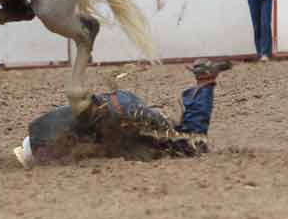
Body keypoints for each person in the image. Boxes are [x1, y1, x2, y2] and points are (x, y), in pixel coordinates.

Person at [14, 59, 231, 169]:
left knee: (189, 143)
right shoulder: (41, 127)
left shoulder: (44, 147)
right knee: (172, 139)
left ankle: (204, 84)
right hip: (118, 105)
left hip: (120, 116)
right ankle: (200, 88)